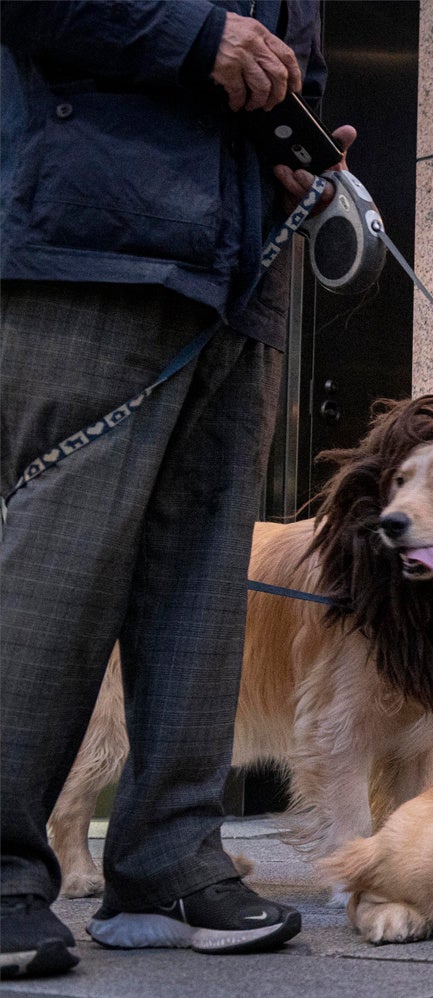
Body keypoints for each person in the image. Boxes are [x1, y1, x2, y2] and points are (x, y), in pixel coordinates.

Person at [1, 1, 355, 977]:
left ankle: (167, 859)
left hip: (241, 275)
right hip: (92, 240)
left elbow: (299, 67)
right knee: (59, 563)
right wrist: (200, 39)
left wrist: (300, 148)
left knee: (205, 585)